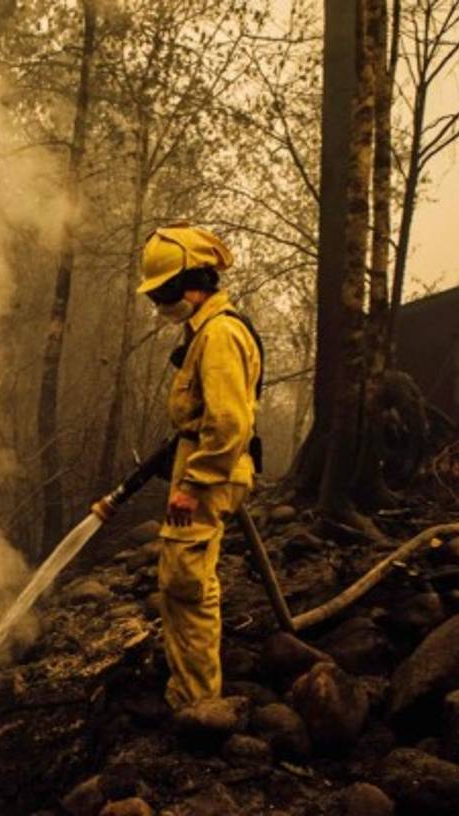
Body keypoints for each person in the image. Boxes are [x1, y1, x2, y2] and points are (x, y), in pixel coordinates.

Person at [136, 223, 262, 709]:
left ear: (196, 280)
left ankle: (196, 700)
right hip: (201, 469)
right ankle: (188, 688)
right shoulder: (206, 332)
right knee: (178, 577)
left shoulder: (220, 335)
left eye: (164, 293)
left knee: (186, 583)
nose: (160, 305)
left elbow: (230, 423)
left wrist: (194, 483)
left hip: (209, 475)